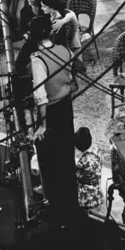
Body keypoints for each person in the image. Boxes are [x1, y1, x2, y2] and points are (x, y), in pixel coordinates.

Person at [29, 14, 78, 225]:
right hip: (67, 106)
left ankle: (54, 203)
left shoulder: (37, 59)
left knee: (49, 158)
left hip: (50, 110)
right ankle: (70, 203)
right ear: (50, 31)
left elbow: (40, 95)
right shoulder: (65, 50)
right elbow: (71, 76)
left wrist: (42, 124)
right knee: (66, 153)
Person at [74, 126, 103, 210]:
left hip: (87, 198)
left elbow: (77, 178)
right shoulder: (96, 149)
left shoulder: (83, 162)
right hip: (97, 190)